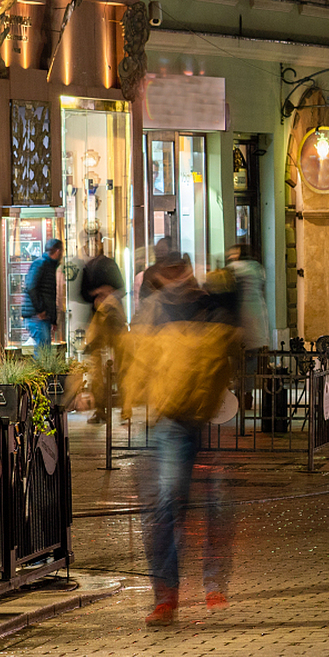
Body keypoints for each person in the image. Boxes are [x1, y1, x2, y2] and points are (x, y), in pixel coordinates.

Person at [122, 253, 242, 625]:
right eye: (170, 272)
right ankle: (167, 595)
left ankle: (211, 586)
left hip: (212, 412)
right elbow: (137, 358)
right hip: (172, 417)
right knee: (166, 504)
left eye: (180, 271)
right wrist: (132, 402)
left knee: (215, 506)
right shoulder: (154, 308)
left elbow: (232, 349)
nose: (176, 278)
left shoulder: (209, 303)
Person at [83, 283, 127, 425]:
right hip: (102, 320)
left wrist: (106, 294)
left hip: (112, 320)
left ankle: (124, 410)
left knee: (120, 368)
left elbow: (122, 290)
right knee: (98, 370)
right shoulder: (96, 268)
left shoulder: (100, 267)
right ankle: (104, 410)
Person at [225, 242, 269, 349]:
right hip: (259, 317)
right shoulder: (258, 269)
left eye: (233, 254)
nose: (231, 257)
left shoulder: (233, 269)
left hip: (241, 322)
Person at [24, 239, 63, 353]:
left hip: (41, 316)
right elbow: (31, 286)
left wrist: (53, 320)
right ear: (57, 251)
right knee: (43, 353)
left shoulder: (49, 266)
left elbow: (50, 295)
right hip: (37, 316)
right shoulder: (41, 264)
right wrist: (40, 310)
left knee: (44, 351)